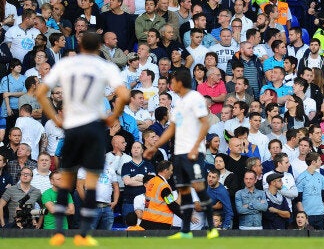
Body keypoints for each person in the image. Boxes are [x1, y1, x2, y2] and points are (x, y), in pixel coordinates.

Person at [35, 31, 130, 246]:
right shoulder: (106, 67)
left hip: (73, 126)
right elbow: (124, 95)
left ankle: (58, 233)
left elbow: (41, 92)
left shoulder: (67, 64)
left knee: (66, 179)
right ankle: (84, 235)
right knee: (92, 181)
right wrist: (112, 117)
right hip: (94, 127)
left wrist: (57, 121)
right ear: (99, 47)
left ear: (79, 44)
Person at [143, 70, 219, 239]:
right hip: (178, 154)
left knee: (198, 187)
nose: (171, 84)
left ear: (180, 82)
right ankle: (185, 231)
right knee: (183, 191)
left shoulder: (195, 98)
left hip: (193, 153)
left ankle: (212, 228)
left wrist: (194, 147)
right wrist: (155, 146)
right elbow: (171, 129)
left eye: (173, 81)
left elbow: (205, 124)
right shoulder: (179, 103)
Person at [139, 160, 179, 230]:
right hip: (159, 223)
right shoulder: (163, 186)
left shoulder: (151, 181)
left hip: (146, 221)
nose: (172, 172)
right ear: (166, 171)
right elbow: (171, 204)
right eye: (171, 170)